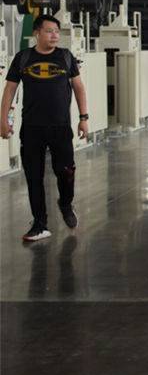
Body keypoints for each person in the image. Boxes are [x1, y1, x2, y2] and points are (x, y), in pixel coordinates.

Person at [1, 15, 89, 242]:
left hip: (60, 128)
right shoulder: (23, 58)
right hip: (32, 128)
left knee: (66, 171)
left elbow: (78, 87)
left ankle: (65, 203)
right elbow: (10, 89)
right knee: (34, 177)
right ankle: (40, 224)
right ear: (37, 33)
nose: (55, 35)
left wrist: (83, 118)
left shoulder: (66, 57)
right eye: (49, 31)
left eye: (57, 32)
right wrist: (3, 120)